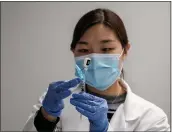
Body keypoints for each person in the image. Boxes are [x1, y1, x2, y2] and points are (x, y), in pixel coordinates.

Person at [23, 8, 170, 132]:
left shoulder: (152, 118)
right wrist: (46, 117)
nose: (94, 58)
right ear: (73, 52)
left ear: (125, 50)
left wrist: (103, 129)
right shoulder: (55, 103)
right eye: (84, 49)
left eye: (106, 49)